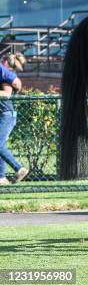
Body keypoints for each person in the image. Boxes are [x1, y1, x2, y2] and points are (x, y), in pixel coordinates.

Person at [0, 53, 28, 186]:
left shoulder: (5, 76)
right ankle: (1, 178)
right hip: (3, 114)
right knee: (0, 145)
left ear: (5, 61)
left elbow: (7, 94)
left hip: (6, 115)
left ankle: (18, 168)